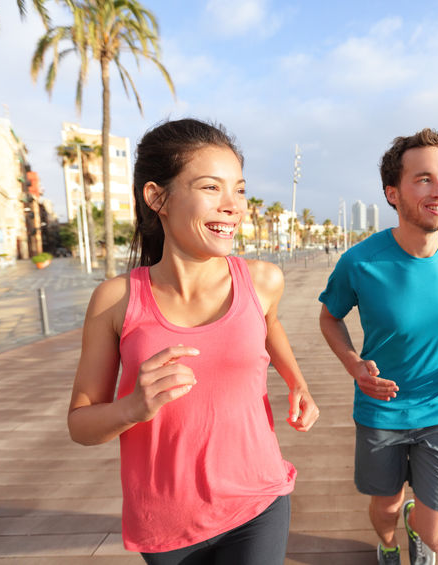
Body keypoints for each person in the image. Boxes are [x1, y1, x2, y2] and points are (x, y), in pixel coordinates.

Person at [67, 118, 319, 564]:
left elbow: (270, 325)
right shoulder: (116, 301)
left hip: (257, 499)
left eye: (239, 189)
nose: (233, 206)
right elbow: (80, 425)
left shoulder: (262, 280)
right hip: (163, 521)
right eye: (210, 188)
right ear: (156, 197)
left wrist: (296, 381)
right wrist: (132, 408)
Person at [318, 128, 438, 565]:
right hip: (381, 410)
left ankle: (416, 525)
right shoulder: (360, 262)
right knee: (385, 507)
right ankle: (389, 544)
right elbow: (329, 316)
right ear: (393, 193)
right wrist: (354, 364)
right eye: (424, 179)